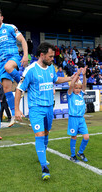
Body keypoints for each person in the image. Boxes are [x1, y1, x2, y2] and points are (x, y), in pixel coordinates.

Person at [15, 42, 73, 180]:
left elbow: (56, 79)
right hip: (36, 108)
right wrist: (17, 109)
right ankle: (44, 167)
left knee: (46, 133)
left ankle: (42, 155)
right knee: (40, 134)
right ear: (42, 55)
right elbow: (19, 89)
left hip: (49, 108)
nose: (53, 59)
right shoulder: (30, 70)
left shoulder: (51, 68)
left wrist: (70, 78)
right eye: (51, 56)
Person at [0, 7, 28, 123]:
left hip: (13, 58)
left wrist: (25, 55)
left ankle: (23, 82)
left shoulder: (10, 27)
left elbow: (23, 40)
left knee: (8, 67)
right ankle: (14, 114)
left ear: (2, 18)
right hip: (1, 63)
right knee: (6, 89)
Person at [67, 67, 89, 163]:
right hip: (73, 119)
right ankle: (73, 156)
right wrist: (77, 75)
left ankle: (80, 152)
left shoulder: (81, 95)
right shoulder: (70, 95)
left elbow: (84, 84)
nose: (78, 90)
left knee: (86, 137)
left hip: (81, 119)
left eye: (79, 88)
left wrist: (83, 75)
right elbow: (71, 85)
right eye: (76, 88)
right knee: (74, 137)